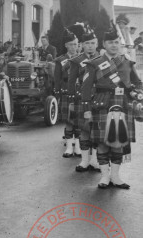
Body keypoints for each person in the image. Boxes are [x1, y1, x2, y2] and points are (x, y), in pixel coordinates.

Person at [81, 24, 143, 189]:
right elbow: (85, 88)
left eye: (116, 42)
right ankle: (104, 177)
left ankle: (115, 177)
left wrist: (137, 93)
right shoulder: (94, 63)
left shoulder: (128, 62)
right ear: (104, 44)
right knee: (102, 142)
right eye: (110, 42)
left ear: (120, 44)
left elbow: (138, 83)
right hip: (101, 104)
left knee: (119, 142)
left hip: (123, 104)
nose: (114, 45)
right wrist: (86, 109)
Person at [68, 25, 101, 173]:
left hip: (100, 98)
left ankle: (95, 160)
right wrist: (71, 99)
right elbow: (71, 81)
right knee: (85, 129)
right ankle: (84, 160)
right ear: (82, 45)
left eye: (93, 43)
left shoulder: (103, 59)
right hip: (82, 98)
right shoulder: (76, 60)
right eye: (87, 43)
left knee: (97, 129)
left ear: (97, 43)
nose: (90, 46)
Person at [54, 26, 82, 158]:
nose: (74, 47)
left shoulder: (82, 58)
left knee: (79, 120)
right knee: (69, 120)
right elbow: (57, 78)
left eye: (76, 44)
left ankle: (78, 146)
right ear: (66, 45)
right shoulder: (60, 60)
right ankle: (69, 147)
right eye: (71, 44)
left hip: (80, 92)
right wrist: (58, 93)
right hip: (66, 92)